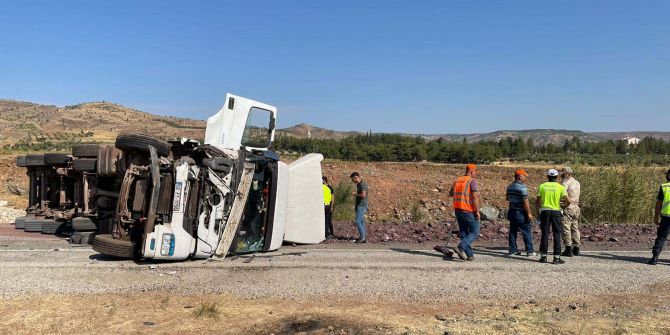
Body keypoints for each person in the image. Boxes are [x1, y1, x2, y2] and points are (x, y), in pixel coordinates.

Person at [536, 169, 570, 264]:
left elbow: (537, 201)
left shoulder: (542, 186)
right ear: (556, 177)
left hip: (545, 212)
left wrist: (538, 213)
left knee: (545, 234)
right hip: (556, 212)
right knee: (556, 234)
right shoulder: (560, 187)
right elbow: (568, 200)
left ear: (547, 176)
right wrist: (564, 206)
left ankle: (543, 256)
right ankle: (556, 257)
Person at [449, 164, 480, 261]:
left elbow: (451, 194)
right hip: (468, 210)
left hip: (458, 209)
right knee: (475, 232)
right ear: (471, 171)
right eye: (475, 171)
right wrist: (477, 211)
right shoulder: (472, 181)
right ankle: (460, 247)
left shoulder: (456, 180)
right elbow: (475, 197)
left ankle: (469, 255)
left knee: (464, 232)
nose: (476, 173)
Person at [506, 169, 535, 256]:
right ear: (519, 176)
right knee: (526, 231)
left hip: (512, 211)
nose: (525, 178)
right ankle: (529, 251)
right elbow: (525, 202)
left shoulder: (509, 186)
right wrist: (529, 213)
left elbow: (507, 198)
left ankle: (512, 250)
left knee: (512, 232)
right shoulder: (523, 188)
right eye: (524, 176)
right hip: (520, 212)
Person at [648, 168, 670, 265]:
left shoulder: (664, 187)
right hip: (666, 217)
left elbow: (658, 203)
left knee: (661, 237)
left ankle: (655, 257)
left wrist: (656, 216)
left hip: (666, 217)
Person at [560, 167, 581, 257]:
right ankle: (576, 248)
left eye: (563, 173)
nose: (561, 175)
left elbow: (563, 195)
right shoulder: (577, 182)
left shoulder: (565, 183)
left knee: (566, 227)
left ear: (568, 173)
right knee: (575, 227)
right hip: (576, 207)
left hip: (568, 206)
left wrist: (562, 205)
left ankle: (568, 248)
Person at [350, 172, 368, 243]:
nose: (352, 181)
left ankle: (363, 238)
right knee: (361, 221)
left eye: (352, 179)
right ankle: (363, 237)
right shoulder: (359, 184)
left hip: (362, 205)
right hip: (359, 205)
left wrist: (355, 194)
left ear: (356, 177)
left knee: (357, 222)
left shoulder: (363, 184)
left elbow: (363, 195)